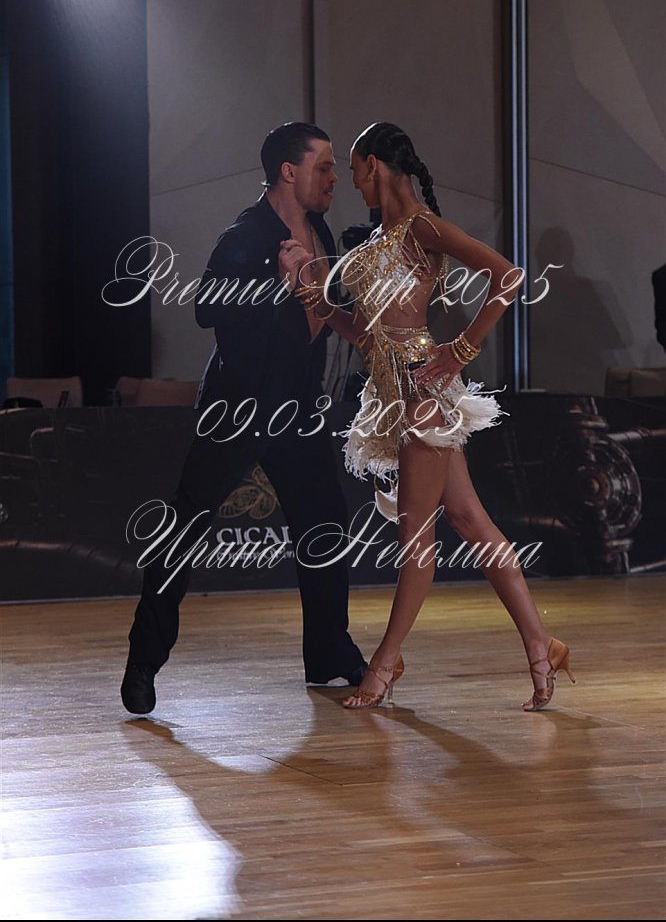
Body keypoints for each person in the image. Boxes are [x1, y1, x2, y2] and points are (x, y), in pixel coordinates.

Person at [279, 122, 576, 712]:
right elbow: (367, 336)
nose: (349, 181)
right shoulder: (376, 238)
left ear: (373, 166)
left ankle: (385, 663)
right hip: (392, 393)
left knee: (415, 539)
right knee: (468, 519)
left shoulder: (422, 227)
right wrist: (317, 300)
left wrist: (460, 349)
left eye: (352, 169)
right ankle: (541, 646)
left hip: (424, 394)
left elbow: (508, 277)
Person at [121, 122, 366, 715]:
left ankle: (328, 652)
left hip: (299, 410)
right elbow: (206, 308)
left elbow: (321, 315)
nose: (335, 178)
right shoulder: (244, 234)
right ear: (289, 171)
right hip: (238, 409)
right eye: (324, 166)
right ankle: (143, 662)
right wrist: (275, 286)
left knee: (325, 522)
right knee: (184, 527)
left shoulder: (320, 231)